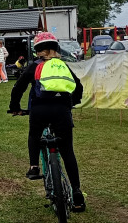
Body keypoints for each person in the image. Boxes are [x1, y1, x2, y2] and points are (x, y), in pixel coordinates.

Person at [8, 33, 86, 210]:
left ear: (37, 50)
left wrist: (15, 107)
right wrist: (71, 103)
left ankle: (34, 166)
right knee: (67, 151)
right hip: (62, 111)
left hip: (40, 109)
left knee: (34, 135)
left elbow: (18, 87)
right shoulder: (62, 65)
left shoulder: (34, 66)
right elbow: (78, 86)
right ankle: (77, 192)